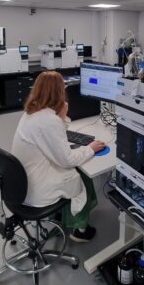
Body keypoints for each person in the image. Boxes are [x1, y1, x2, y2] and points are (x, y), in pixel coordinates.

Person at [11, 71, 106, 242]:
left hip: (21, 183)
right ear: (59, 92)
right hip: (36, 187)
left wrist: (61, 116)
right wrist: (91, 148)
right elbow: (67, 159)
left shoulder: (31, 112)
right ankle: (80, 229)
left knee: (74, 170)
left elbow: (53, 141)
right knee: (83, 175)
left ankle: (60, 218)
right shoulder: (48, 119)